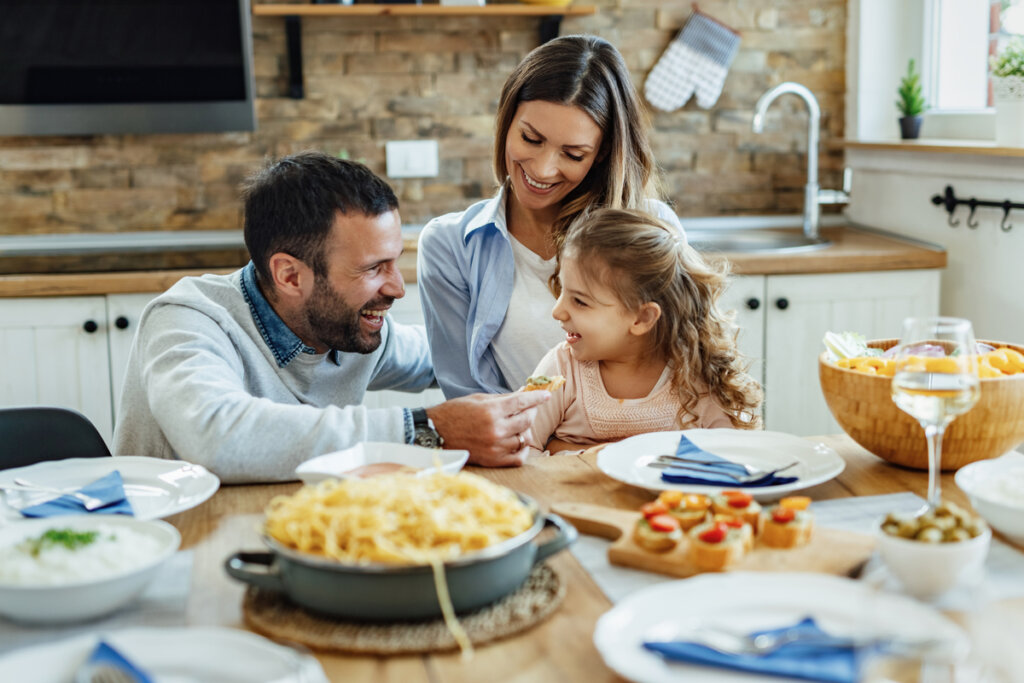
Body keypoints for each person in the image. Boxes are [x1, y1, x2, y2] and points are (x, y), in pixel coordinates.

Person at [113, 152, 549, 483]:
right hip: (172, 549)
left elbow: (456, 356)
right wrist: (426, 427)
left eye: (396, 262)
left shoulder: (350, 328)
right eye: (373, 268)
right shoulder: (188, 319)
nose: (397, 287)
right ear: (289, 275)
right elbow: (217, 437)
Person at [418, 34, 683, 399]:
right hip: (521, 452)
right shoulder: (450, 246)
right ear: (506, 121)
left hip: (636, 449)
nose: (543, 169)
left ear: (603, 153)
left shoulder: (656, 230)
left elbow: (689, 365)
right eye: (531, 138)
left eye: (573, 155)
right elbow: (470, 401)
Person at [522, 208, 763, 456]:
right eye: (562, 290)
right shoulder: (562, 369)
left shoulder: (693, 375)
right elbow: (522, 448)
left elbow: (734, 455)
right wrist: (592, 455)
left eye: (580, 302)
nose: (557, 311)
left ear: (642, 318)